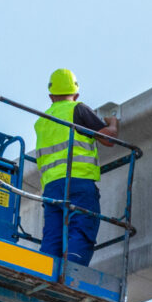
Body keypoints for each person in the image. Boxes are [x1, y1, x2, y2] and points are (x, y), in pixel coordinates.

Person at [33, 68, 118, 266]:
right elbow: (108, 139)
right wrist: (113, 123)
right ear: (76, 94)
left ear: (51, 96)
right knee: (81, 229)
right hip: (77, 181)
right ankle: (73, 273)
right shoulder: (78, 109)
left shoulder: (41, 121)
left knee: (53, 236)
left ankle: (45, 272)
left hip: (52, 187)